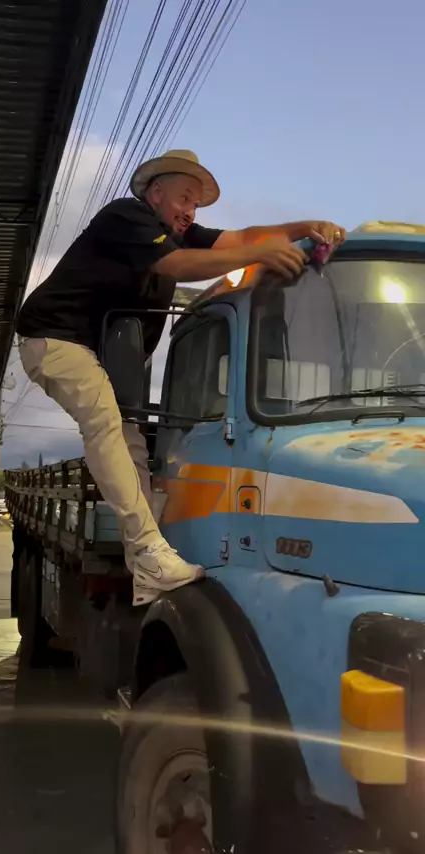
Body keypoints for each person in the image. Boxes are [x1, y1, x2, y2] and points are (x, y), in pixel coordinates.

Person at [17, 149, 346, 605]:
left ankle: (146, 568)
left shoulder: (180, 233)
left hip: (92, 351)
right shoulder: (127, 217)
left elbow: (242, 236)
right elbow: (177, 265)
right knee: (104, 422)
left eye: (195, 203)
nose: (190, 211)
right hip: (54, 339)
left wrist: (302, 228)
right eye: (184, 198)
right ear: (156, 193)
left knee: (131, 447)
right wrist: (262, 254)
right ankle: (152, 554)